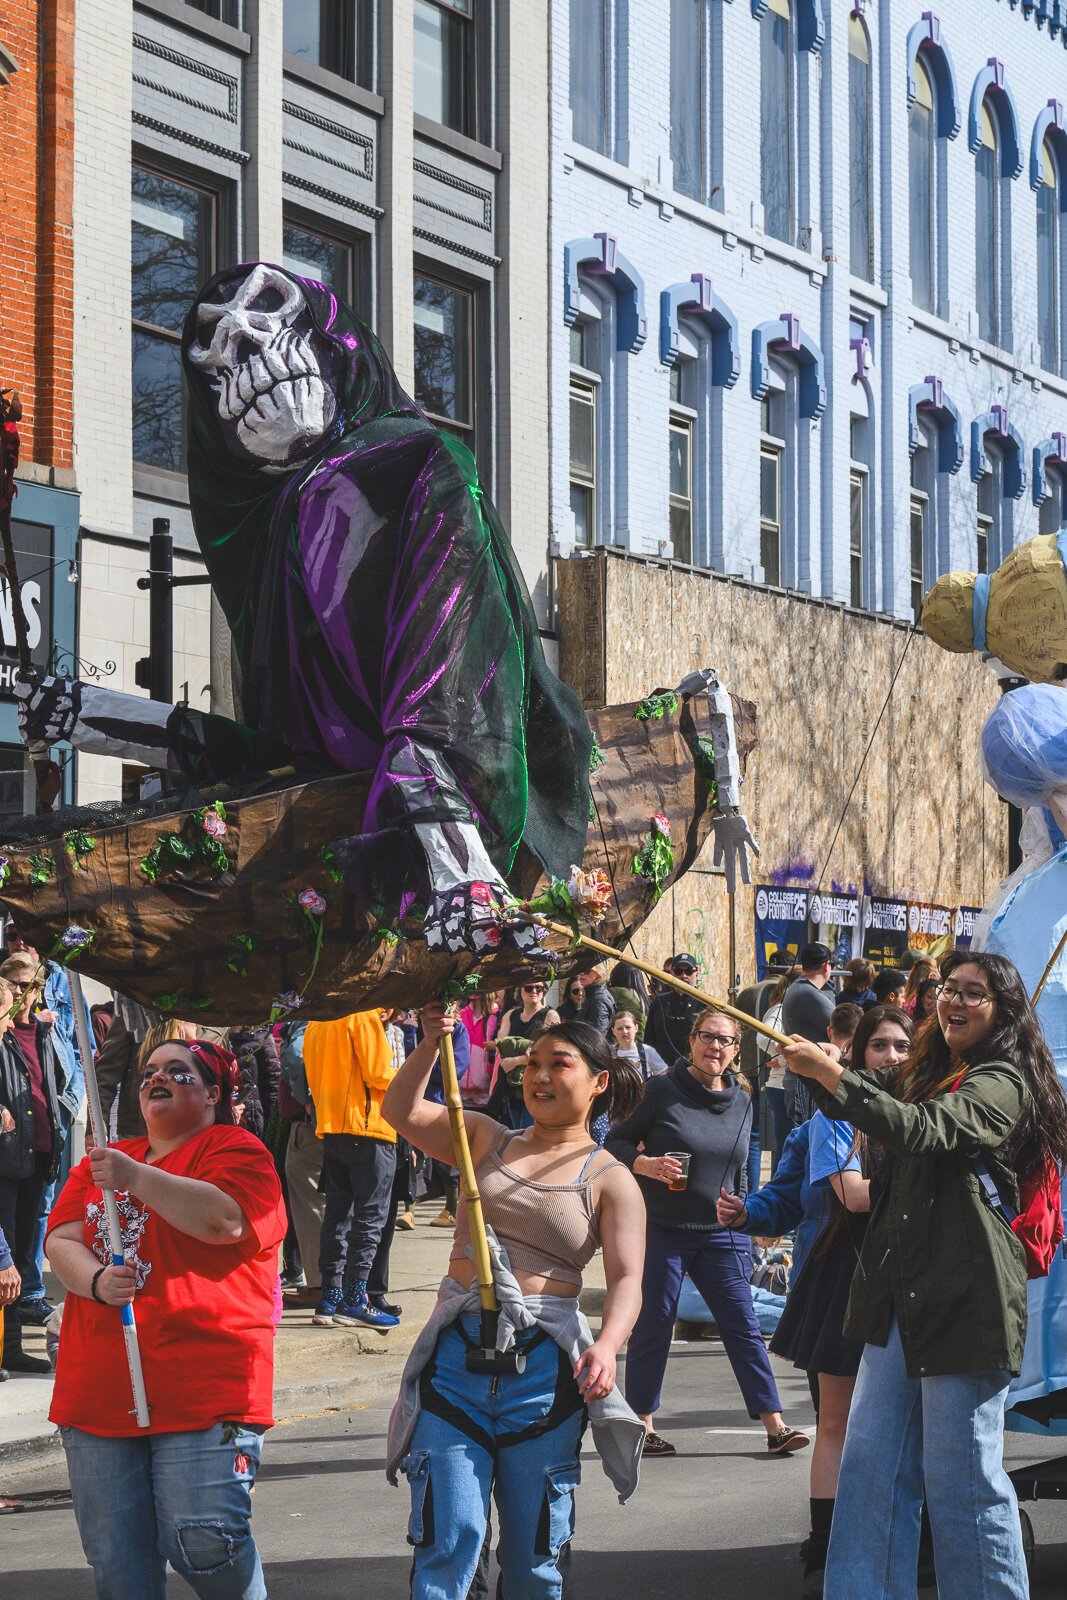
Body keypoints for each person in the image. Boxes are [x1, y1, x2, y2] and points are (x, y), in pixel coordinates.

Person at [781, 950, 1067, 1600]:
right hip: (895, 1300)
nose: (955, 1002)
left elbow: (921, 1131)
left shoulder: (1001, 1082)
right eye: (949, 990)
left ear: (1003, 1015)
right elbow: (857, 1102)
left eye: (974, 993)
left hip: (966, 1305)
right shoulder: (925, 1072)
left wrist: (837, 1077)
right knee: (869, 1471)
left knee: (959, 1483)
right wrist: (818, 1071)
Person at [383, 1009, 647, 1598]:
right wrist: (432, 1041)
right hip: (455, 1364)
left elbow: (628, 1279)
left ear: (599, 1081)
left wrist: (606, 1347)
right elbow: (398, 1113)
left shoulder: (612, 1179)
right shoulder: (482, 1136)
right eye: (532, 1064)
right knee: (448, 1542)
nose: (540, 1076)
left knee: (534, 1558)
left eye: (560, 1064)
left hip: (545, 1373)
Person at [45, 1037, 287, 1600]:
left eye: (179, 1072)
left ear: (212, 1095)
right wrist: (98, 1282)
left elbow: (226, 1221)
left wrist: (134, 1178)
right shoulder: (104, 1159)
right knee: (117, 1563)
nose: (158, 1078)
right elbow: (61, 1240)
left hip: (204, 1383)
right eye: (150, 1071)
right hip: (99, 1387)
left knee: (205, 1544)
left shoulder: (236, 1149)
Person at [726, 1006, 914, 1598]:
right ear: (857, 1056)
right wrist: (748, 1212)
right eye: (879, 1046)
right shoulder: (830, 1123)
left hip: (908, 1282)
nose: (891, 1057)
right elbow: (811, 1197)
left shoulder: (920, 1116)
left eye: (903, 1046)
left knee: (907, 1426)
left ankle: (904, 1538)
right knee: (836, 1421)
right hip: (841, 1281)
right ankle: (825, 1543)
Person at [606, 1008, 809, 1459]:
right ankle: (643, 1425)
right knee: (654, 1325)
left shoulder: (743, 1096)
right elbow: (613, 1142)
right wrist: (646, 1165)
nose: (714, 1047)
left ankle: (775, 1425)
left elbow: (747, 1156)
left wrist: (752, 1213)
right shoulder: (659, 1090)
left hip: (722, 1231)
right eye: (706, 1037)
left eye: (725, 1040)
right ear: (691, 1041)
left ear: (737, 1049)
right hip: (662, 1227)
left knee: (742, 1325)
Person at [304, 1009, 401, 1330]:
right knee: (369, 1218)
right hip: (368, 1127)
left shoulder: (317, 1021)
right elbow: (377, 1073)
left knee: (338, 1216)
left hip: (333, 1129)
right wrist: (408, 1076)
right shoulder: (362, 1016)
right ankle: (355, 1300)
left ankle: (330, 1297)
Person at [0, 962, 67, 1374]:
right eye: (15, 987)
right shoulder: (6, 1037)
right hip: (9, 1155)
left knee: (22, 1254)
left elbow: (54, 1085)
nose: (23, 995)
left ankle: (9, 1350)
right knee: (3, 1250)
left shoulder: (44, 1033)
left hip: (38, 1153)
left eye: (29, 986)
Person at [780, 943, 836, 1127]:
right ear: (826, 966)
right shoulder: (807, 993)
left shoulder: (799, 989)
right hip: (805, 1083)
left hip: (802, 1079)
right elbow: (846, 1026)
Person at [758, 967, 801, 1174]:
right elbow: (764, 1038)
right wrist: (785, 1059)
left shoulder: (794, 1008)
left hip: (790, 1086)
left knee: (788, 1149)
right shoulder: (781, 1009)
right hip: (781, 1087)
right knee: (785, 1149)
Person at [643, 952, 704, 1064]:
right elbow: (649, 1041)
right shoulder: (659, 1002)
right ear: (672, 973)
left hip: (693, 1069)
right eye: (678, 971)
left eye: (688, 971)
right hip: (662, 1070)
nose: (684, 976)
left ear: (696, 973)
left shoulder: (704, 1005)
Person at [610, 1010, 667, 1080]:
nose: (624, 1031)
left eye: (628, 1027)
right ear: (613, 1031)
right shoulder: (608, 1053)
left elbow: (663, 1075)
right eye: (620, 1028)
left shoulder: (648, 1051)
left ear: (636, 1028)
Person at [575, 965, 616, 1035]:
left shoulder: (599, 998)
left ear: (598, 972)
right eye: (579, 969)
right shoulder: (592, 995)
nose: (581, 973)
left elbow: (599, 1034)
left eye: (587, 970)